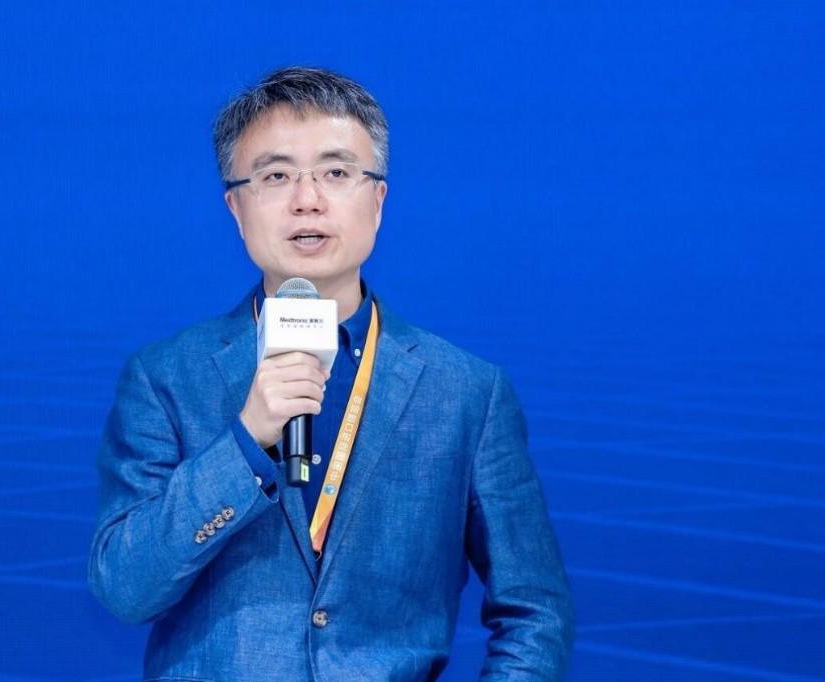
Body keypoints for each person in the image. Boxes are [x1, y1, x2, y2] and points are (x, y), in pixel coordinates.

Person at [88, 66, 573, 681]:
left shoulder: (466, 393)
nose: (307, 199)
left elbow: (534, 612)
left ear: (378, 200)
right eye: (276, 175)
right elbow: (124, 589)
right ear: (236, 207)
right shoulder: (164, 378)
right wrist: (245, 443)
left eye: (336, 173)